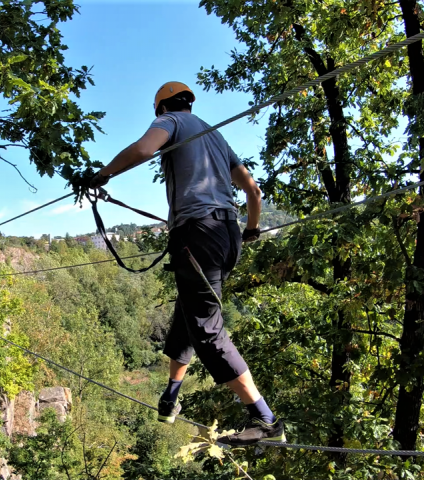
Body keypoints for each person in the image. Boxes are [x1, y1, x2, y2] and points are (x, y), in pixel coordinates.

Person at [90, 82, 285, 446]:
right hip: (228, 234)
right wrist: (253, 230)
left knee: (207, 328)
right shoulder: (215, 135)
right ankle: (171, 396)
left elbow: (145, 149)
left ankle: (267, 421)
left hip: (198, 234)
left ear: (161, 108)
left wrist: (102, 175)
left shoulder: (172, 122)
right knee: (190, 310)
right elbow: (253, 192)